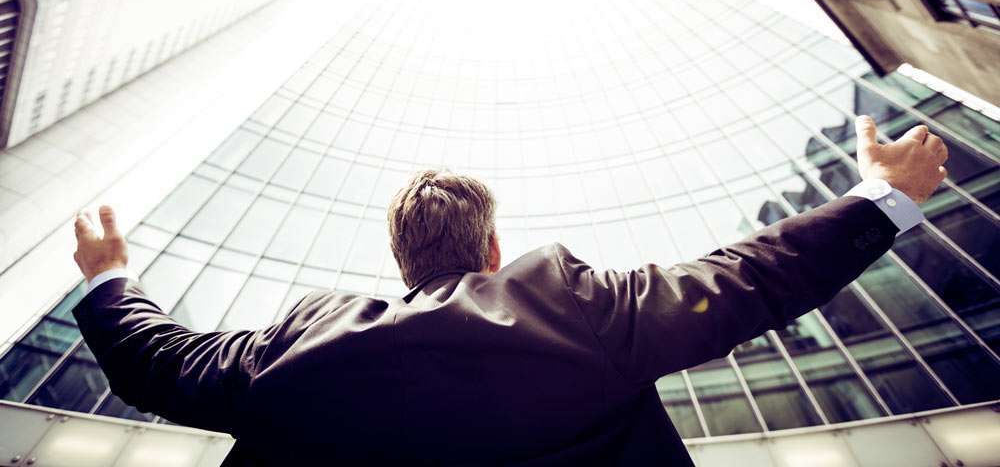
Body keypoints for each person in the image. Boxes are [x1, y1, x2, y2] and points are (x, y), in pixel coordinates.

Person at [71, 115, 947, 465]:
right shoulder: (568, 304)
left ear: (401, 263)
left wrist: (111, 274)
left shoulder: (293, 350)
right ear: (493, 248)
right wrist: (882, 198)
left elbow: (157, 363)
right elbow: (743, 279)